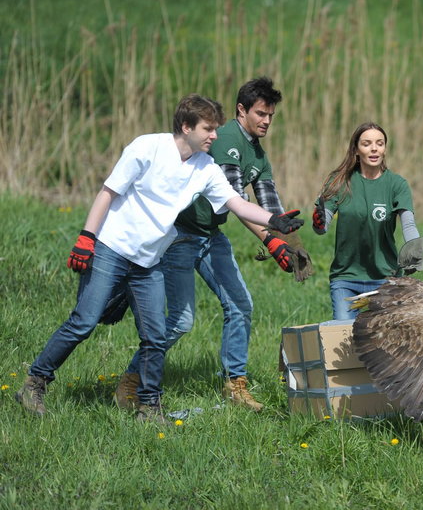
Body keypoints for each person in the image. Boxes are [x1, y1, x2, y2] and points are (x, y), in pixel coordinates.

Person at [16, 94, 301, 424]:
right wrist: (86, 238)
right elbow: (108, 192)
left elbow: (237, 203)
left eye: (216, 129)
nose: (214, 136)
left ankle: (148, 408)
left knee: (154, 336)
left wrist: (273, 223)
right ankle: (36, 382)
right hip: (112, 248)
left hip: (149, 261)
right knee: (84, 321)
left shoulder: (205, 167)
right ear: (186, 126)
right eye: (209, 129)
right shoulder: (146, 148)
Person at [114, 77, 300, 413]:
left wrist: (288, 241)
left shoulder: (257, 153)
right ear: (240, 110)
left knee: (240, 305)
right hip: (181, 235)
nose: (267, 121)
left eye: (271, 115)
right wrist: (271, 242)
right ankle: (132, 380)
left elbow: (269, 203)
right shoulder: (226, 139)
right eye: (260, 113)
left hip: (211, 237)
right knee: (181, 320)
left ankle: (234, 385)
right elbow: (232, 199)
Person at [312, 121, 422, 320]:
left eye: (379, 143)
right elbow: (322, 226)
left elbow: (408, 224)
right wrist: (319, 221)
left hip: (386, 280)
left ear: (385, 149)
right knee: (344, 338)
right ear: (356, 150)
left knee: (386, 343)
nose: (374, 148)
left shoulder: (397, 184)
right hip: (346, 278)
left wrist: (414, 250)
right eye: (367, 143)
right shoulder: (339, 181)